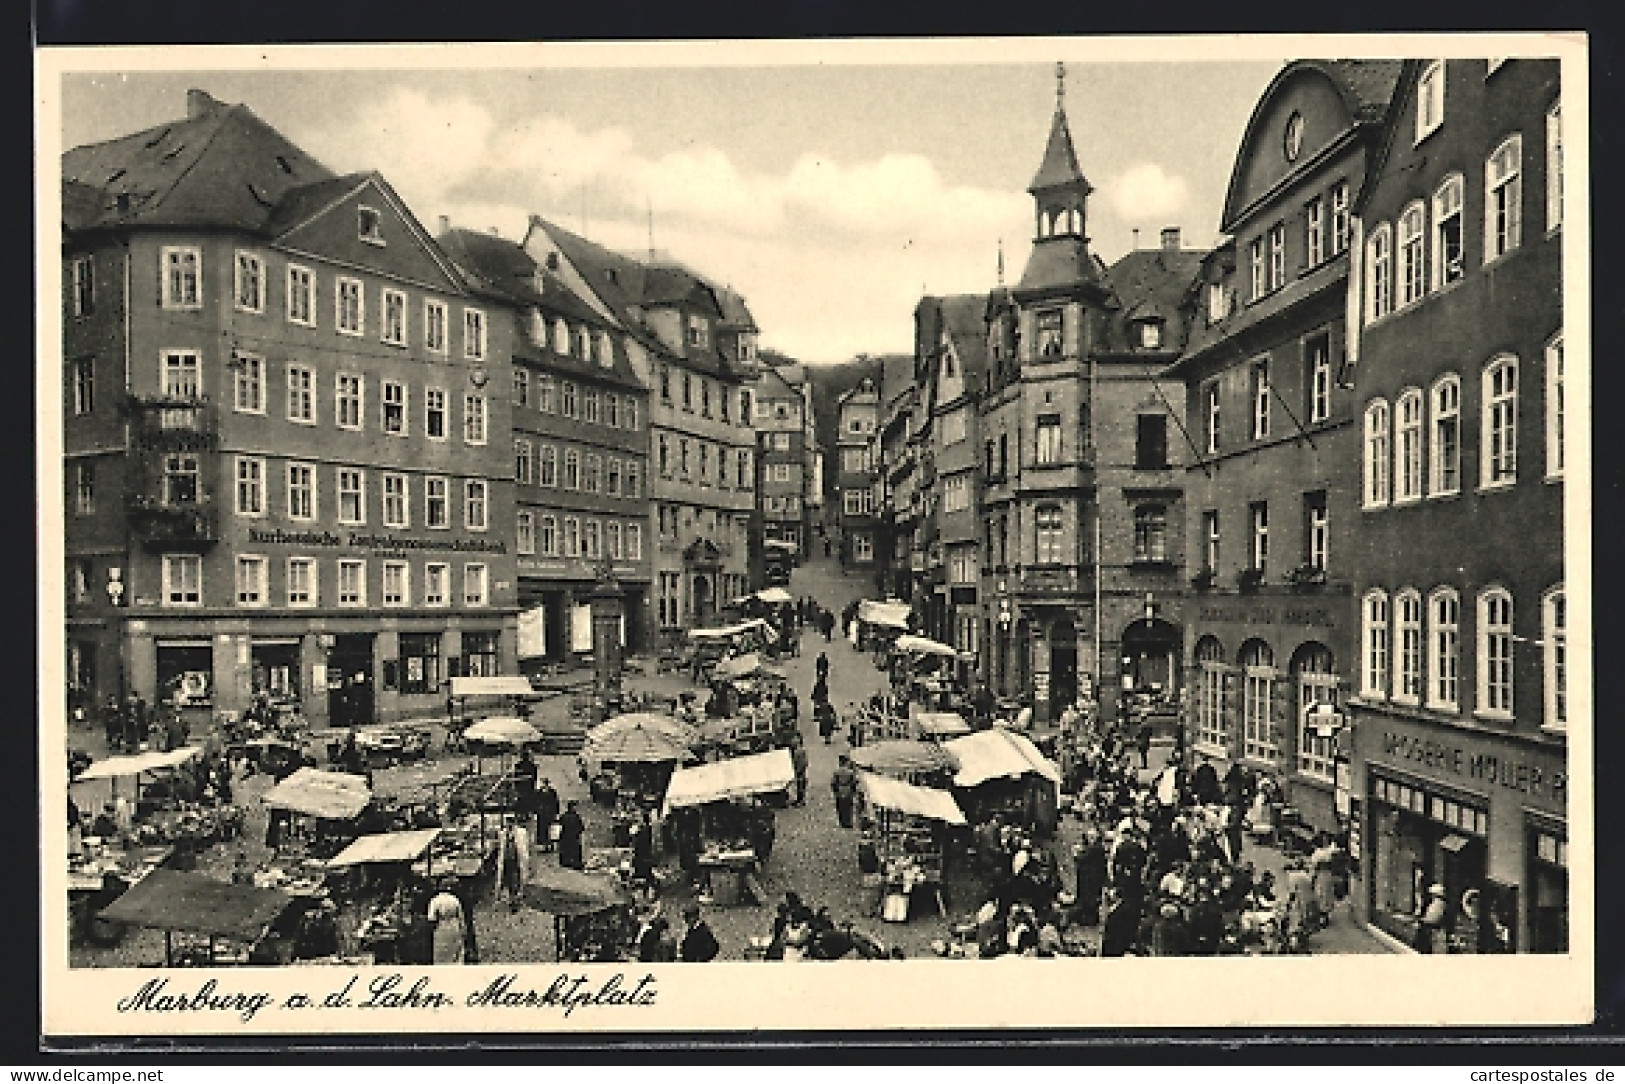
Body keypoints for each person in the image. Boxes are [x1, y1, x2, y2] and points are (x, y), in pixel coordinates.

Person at [427, 882, 467, 964]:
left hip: (442, 927)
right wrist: (462, 930)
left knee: (441, 956)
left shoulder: (435, 900)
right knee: (456, 955)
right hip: (454, 926)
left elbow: (431, 918)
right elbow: (461, 917)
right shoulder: (455, 899)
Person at [512, 748, 539, 835]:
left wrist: (516, 786)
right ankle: (527, 814)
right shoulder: (532, 766)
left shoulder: (518, 765)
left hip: (521, 788)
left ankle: (521, 815)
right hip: (528, 787)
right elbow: (534, 778)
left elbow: (515, 777)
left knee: (521, 801)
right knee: (528, 801)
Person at [1416, 883, 1448, 954]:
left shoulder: (1438, 904)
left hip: (1431, 931)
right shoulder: (1437, 903)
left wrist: (1420, 920)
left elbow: (1432, 919)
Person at [557, 800, 586, 870]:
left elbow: (560, 824)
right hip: (573, 836)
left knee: (565, 849)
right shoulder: (576, 817)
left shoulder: (564, 816)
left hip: (565, 836)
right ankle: (576, 863)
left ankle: (565, 861)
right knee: (575, 849)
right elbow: (581, 827)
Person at [830, 757, 858, 829]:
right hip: (848, 789)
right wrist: (853, 791)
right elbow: (854, 782)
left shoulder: (837, 772)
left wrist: (835, 791)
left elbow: (833, 782)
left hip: (840, 789)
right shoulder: (850, 772)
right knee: (848, 806)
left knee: (840, 806)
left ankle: (842, 821)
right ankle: (848, 821)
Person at [535, 776, 560, 852]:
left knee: (550, 829)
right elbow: (536, 802)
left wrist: (556, 812)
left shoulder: (552, 792)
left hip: (549, 813)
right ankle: (545, 845)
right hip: (542, 814)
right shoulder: (539, 792)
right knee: (543, 830)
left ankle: (551, 845)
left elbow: (555, 802)